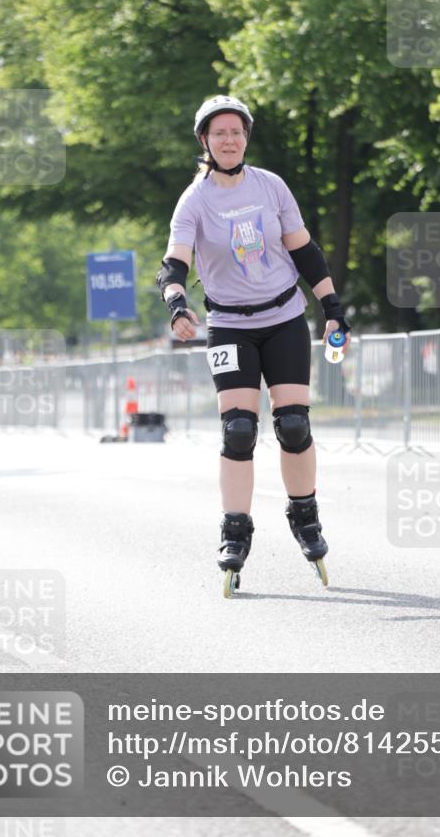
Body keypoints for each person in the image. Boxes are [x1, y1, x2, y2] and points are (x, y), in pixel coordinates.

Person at [156, 95, 351, 596]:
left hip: (285, 318)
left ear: (246, 137)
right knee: (239, 430)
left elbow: (304, 249)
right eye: (219, 133)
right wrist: (177, 305)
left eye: (236, 132)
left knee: (293, 424)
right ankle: (234, 530)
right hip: (229, 327)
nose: (229, 140)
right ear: (204, 140)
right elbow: (175, 262)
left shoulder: (271, 186)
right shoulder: (194, 200)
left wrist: (332, 307)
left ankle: (305, 515)